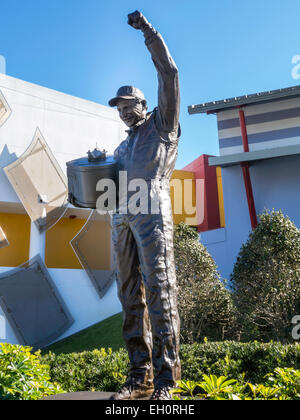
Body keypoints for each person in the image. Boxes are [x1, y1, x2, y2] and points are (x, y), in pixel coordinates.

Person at [108, 10, 181, 401]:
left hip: (153, 209)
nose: (122, 109)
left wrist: (148, 31)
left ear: (142, 103)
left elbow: (169, 73)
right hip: (121, 216)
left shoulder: (161, 124)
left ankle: (166, 382)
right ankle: (139, 377)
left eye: (127, 103)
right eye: (117, 106)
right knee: (129, 294)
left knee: (160, 289)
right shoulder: (121, 146)